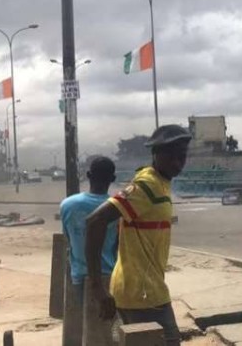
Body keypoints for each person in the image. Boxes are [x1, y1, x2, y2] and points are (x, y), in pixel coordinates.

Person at [86, 125, 192, 346]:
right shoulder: (147, 185)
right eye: (170, 156)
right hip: (143, 294)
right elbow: (95, 221)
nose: (177, 162)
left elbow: (123, 229)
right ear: (155, 155)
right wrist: (97, 286)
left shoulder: (161, 184)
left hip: (141, 289)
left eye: (181, 156)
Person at [60, 156, 118, 302]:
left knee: (82, 320)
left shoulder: (67, 205)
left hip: (78, 275)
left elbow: (68, 237)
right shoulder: (116, 208)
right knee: (107, 323)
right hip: (107, 275)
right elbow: (118, 244)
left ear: (88, 175)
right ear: (113, 178)